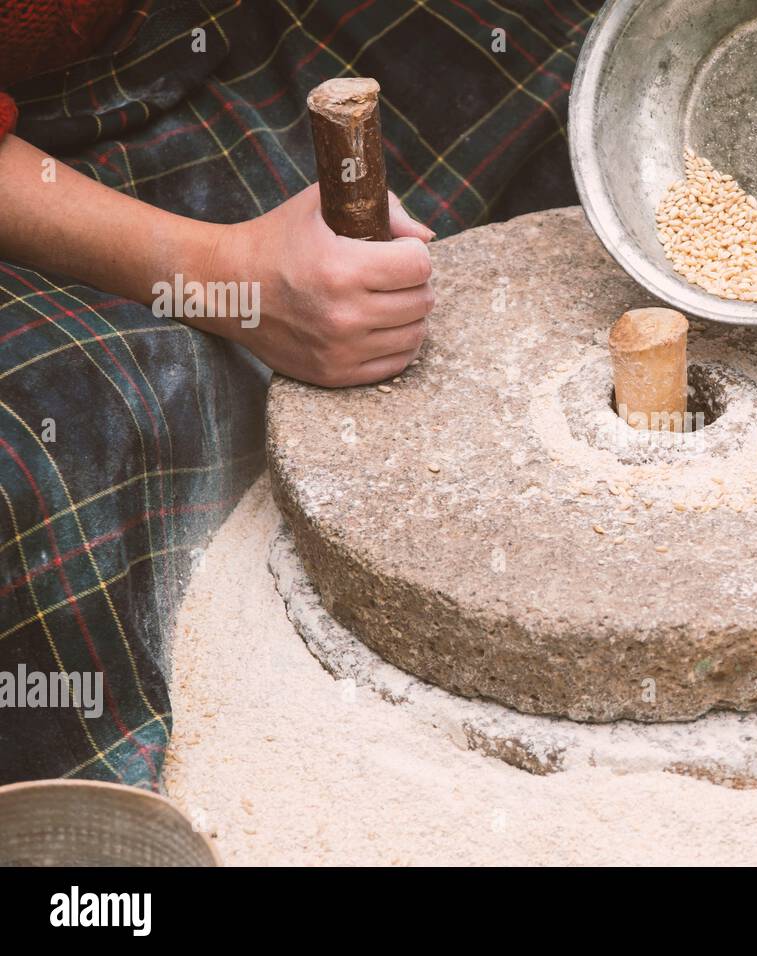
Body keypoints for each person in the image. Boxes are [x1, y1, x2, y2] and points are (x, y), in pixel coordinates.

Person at [0, 0, 591, 787]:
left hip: (211, 29)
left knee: (561, 70)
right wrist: (224, 277)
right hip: (30, 179)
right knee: (53, 460)